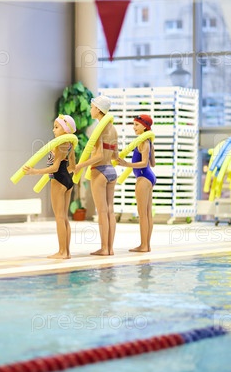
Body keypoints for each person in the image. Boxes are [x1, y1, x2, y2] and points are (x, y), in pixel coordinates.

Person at [23, 115, 76, 259]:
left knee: (59, 217)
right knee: (64, 217)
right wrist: (64, 174)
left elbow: (55, 167)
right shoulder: (70, 144)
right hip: (67, 180)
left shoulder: (60, 144)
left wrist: (35, 171)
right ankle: (67, 252)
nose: (53, 130)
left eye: (56, 127)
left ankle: (62, 252)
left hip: (58, 180)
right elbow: (73, 166)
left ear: (65, 129)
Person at [73, 95, 118, 256]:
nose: (90, 110)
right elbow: (115, 155)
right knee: (110, 210)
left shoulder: (100, 129)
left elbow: (99, 156)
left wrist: (80, 165)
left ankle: (104, 248)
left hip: (99, 171)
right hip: (111, 171)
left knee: (102, 211)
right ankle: (110, 248)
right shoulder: (113, 129)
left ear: (98, 109)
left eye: (92, 107)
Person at [117, 114, 156, 252]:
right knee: (147, 213)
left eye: (136, 125)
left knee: (142, 214)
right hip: (149, 176)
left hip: (143, 177)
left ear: (144, 127)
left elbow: (144, 163)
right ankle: (147, 245)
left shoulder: (143, 142)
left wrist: (126, 164)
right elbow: (153, 163)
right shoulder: (149, 142)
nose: (134, 127)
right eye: (133, 124)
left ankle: (144, 245)